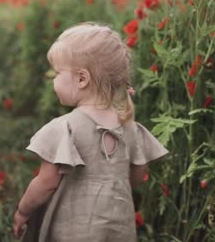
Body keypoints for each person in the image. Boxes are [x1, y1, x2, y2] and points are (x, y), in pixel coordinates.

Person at [12, 22, 169, 241]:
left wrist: (23, 211)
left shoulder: (65, 128)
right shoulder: (131, 128)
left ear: (82, 79)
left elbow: (46, 183)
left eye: (57, 73)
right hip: (119, 229)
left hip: (72, 229)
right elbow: (137, 175)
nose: (54, 80)